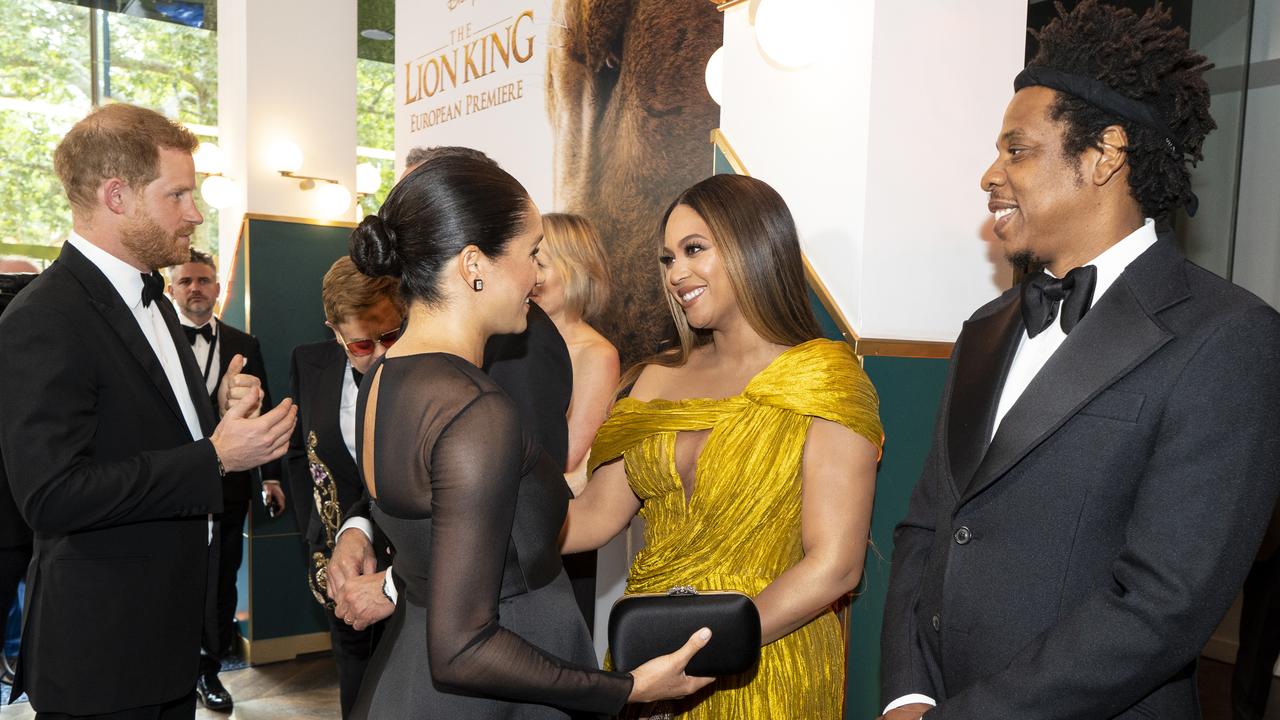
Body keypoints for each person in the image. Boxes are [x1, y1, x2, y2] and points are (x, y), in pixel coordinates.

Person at [877, 4, 1280, 719]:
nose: (988, 176)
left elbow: (1162, 606)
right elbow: (926, 528)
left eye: (1016, 150)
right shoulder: (984, 329)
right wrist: (908, 693)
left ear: (1104, 156)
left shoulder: (1229, 338)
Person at [344, 151, 713, 718]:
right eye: (531, 251)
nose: (538, 274)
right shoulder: (474, 409)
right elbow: (464, 646)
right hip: (506, 689)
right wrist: (628, 689)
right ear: (475, 264)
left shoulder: (383, 379)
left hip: (410, 677)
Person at [0, 102, 296, 718]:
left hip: (168, 639)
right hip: (102, 655)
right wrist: (215, 455)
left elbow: (141, 427)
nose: (195, 212)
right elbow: (51, 495)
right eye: (179, 194)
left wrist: (216, 415)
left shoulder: (156, 303)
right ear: (117, 196)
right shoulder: (43, 319)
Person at [562, 173, 883, 719]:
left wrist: (704, 651)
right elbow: (591, 517)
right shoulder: (657, 378)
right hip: (649, 661)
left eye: (694, 250)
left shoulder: (824, 377)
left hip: (766, 661)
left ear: (753, 246)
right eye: (667, 259)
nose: (676, 273)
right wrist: (472, 527)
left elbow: (835, 566)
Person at [327, 147, 575, 635]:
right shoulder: (397, 360)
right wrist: (360, 527)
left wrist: (395, 585)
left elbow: (524, 516)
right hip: (454, 633)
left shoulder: (523, 337)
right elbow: (413, 480)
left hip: (500, 623)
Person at [285, 256, 404, 717]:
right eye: (360, 343)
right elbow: (298, 454)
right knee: (354, 690)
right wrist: (313, 533)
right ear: (333, 330)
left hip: (408, 574)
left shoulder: (422, 369)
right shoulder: (308, 362)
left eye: (391, 335)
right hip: (337, 566)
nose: (379, 353)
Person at [168, 248, 285, 711]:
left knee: (220, 579)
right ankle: (173, 666)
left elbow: (266, 407)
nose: (195, 287)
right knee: (177, 573)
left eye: (203, 280)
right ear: (173, 289)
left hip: (231, 485)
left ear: (217, 288)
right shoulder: (157, 341)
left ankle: (209, 670)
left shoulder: (245, 343)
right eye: (185, 281)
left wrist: (271, 477)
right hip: (174, 483)